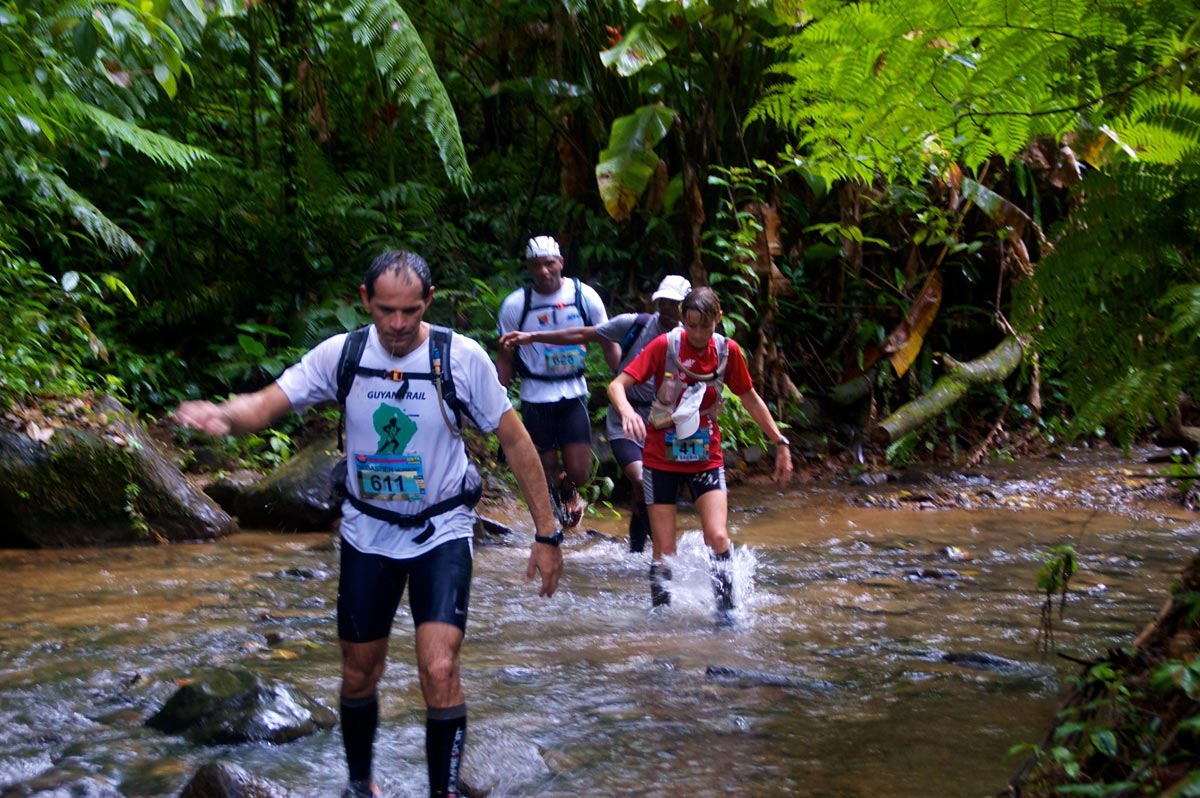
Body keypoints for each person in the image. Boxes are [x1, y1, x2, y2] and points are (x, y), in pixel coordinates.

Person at [173, 250, 564, 798]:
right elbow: (267, 402)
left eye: (409, 311)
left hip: (441, 529)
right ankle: (361, 785)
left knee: (439, 667)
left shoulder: (461, 358)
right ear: (365, 301)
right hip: (367, 531)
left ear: (428, 302)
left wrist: (547, 534)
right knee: (360, 670)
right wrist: (225, 415)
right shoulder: (345, 354)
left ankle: (443, 791)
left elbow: (515, 439)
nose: (398, 324)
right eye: (386, 310)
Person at [607, 286, 793, 619]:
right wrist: (627, 411)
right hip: (660, 459)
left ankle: (727, 615)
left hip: (705, 458)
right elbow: (617, 385)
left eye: (704, 327)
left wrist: (780, 441)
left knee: (718, 535)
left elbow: (750, 398)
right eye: (691, 325)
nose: (696, 333)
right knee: (664, 550)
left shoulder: (727, 352)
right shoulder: (665, 346)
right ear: (682, 319)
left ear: (717, 320)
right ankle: (661, 620)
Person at [498, 274, 691, 553]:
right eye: (664, 303)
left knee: (650, 489)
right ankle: (662, 549)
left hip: (667, 422)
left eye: (676, 304)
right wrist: (533, 336)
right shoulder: (634, 324)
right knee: (640, 479)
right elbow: (583, 333)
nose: (669, 310)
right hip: (627, 418)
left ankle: (638, 550)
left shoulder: (694, 339)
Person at [495, 235, 618, 530]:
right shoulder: (516, 305)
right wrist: (498, 396)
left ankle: (567, 488)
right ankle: (555, 527)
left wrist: (622, 375)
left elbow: (607, 338)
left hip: (572, 391)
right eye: (536, 265)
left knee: (580, 470)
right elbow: (505, 355)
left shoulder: (583, 296)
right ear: (528, 267)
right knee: (546, 466)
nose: (543, 271)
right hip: (535, 395)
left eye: (549, 263)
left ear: (560, 263)